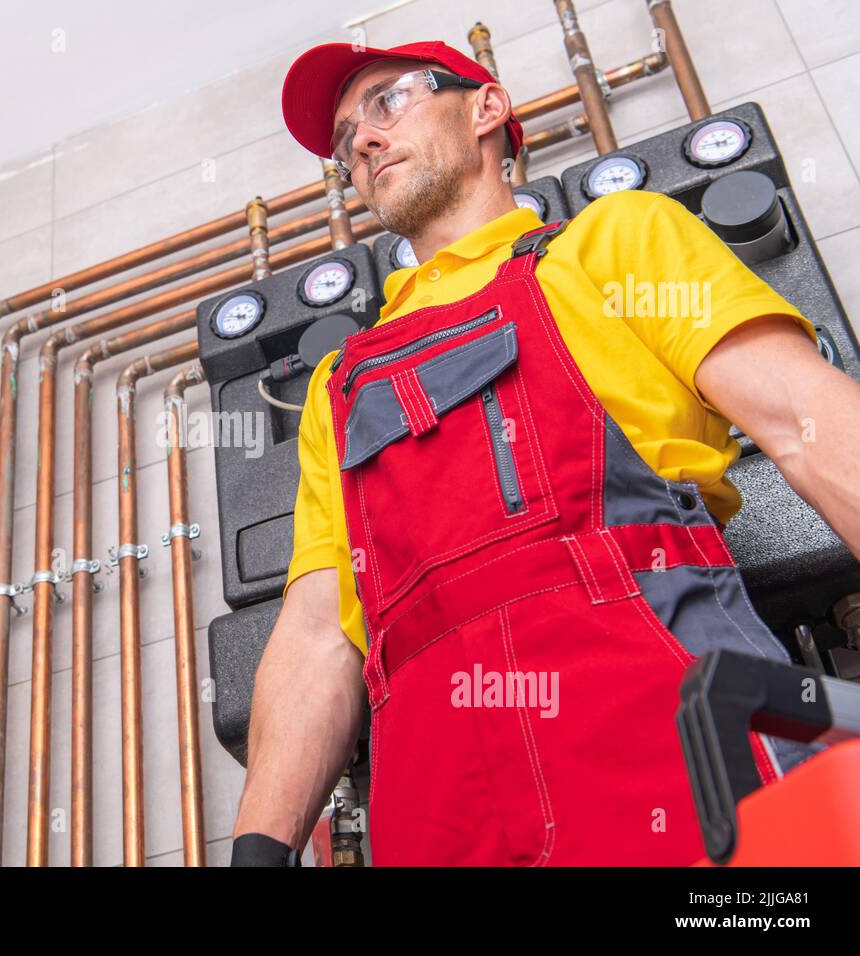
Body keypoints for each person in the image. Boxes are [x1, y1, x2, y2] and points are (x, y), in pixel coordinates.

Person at [228, 40, 860, 866]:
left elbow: (806, 419)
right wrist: (258, 851)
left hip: (664, 731)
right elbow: (318, 635)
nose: (363, 144)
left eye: (388, 103)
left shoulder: (618, 241)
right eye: (346, 140)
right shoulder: (338, 386)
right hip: (438, 809)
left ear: (487, 108)